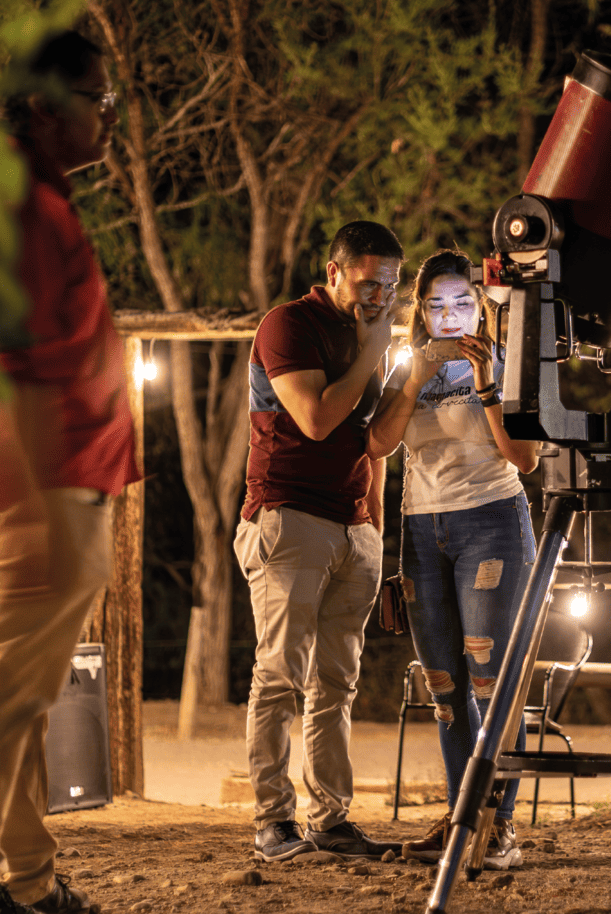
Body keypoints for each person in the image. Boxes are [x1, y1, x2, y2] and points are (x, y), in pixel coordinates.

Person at [0, 31, 139, 913]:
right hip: (44, 490)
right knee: (9, 698)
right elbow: (19, 353)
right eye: (98, 98)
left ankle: (28, 883)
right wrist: (44, 505)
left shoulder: (33, 194)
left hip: (49, 486)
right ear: (47, 108)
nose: (110, 116)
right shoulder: (23, 205)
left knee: (19, 698)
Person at [234, 221, 405, 862]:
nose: (378, 295)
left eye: (389, 285)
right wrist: (373, 348)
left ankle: (330, 819)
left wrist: (375, 531)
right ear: (333, 273)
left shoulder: (369, 336)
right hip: (287, 517)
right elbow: (315, 419)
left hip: (351, 527)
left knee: (337, 681)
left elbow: (373, 440)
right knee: (281, 673)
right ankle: (272, 823)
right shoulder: (289, 325)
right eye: (367, 283)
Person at [365, 248, 539, 870]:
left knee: (492, 686)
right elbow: (379, 444)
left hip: (491, 521)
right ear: (422, 313)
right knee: (445, 687)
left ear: (481, 305)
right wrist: (414, 376)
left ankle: (500, 825)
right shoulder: (402, 363)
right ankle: (459, 817)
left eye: (463, 303)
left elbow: (525, 457)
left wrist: (488, 383)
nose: (449, 316)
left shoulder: (509, 359)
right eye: (436, 306)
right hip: (422, 528)